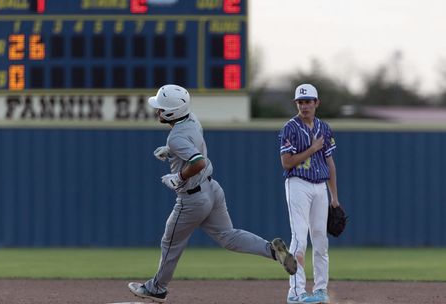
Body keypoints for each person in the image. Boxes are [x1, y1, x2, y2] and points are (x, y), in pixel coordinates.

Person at [128, 84, 297, 303]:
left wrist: (178, 177)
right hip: (212, 189)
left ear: (171, 112)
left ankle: (157, 289)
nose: (157, 111)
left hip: (192, 198)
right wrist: (171, 151)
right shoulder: (192, 119)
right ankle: (272, 250)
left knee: (169, 243)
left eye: (161, 108)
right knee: (228, 235)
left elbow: (198, 161)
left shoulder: (175, 137)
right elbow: (192, 142)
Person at [278, 84, 341, 304]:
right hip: (298, 184)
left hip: (320, 187)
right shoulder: (290, 128)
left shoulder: (324, 128)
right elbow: (286, 163)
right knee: (299, 238)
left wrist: (334, 198)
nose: (304, 106)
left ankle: (321, 290)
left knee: (320, 240)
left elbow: (330, 164)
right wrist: (313, 149)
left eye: (308, 101)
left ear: (317, 103)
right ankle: (295, 292)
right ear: (296, 104)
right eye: (300, 102)